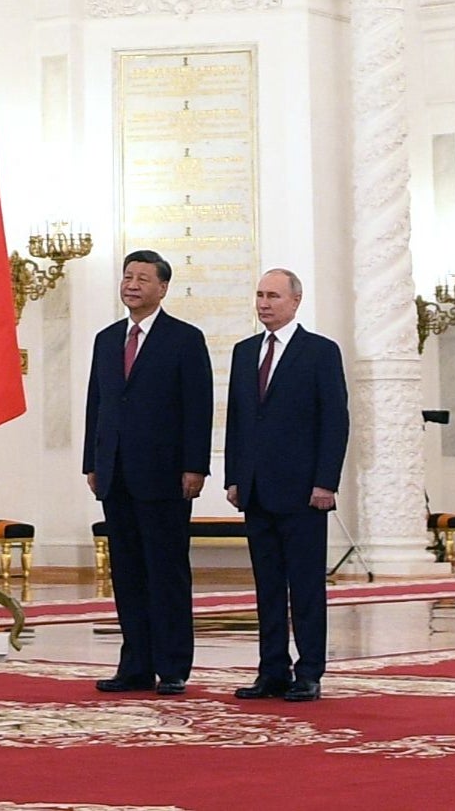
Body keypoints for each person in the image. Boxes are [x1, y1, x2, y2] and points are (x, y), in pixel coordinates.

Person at [82, 248, 213, 694]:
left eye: (142, 278)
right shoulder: (106, 339)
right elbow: (96, 404)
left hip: (165, 475)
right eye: (127, 277)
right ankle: (135, 663)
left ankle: (173, 665)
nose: (132, 285)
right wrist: (92, 462)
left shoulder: (184, 339)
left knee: (167, 570)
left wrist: (195, 466)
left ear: (162, 288)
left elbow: (199, 407)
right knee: (128, 573)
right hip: (115, 472)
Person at [221, 267, 349, 702]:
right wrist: (235, 476)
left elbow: (335, 420)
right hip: (256, 490)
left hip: (303, 491)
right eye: (259, 295)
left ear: (295, 301)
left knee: (306, 586)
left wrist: (325, 482)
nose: (264, 303)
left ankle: (309, 670)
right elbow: (237, 419)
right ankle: (271, 670)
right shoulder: (244, 352)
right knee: (268, 586)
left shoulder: (320, 352)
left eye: (273, 295)